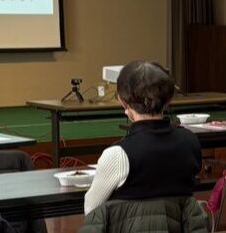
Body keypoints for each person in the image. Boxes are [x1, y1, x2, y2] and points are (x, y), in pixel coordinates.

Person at [83, 60, 201, 215]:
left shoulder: (116, 155)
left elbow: (91, 210)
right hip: (182, 229)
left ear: (122, 101)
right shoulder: (190, 141)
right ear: (168, 100)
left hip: (127, 231)